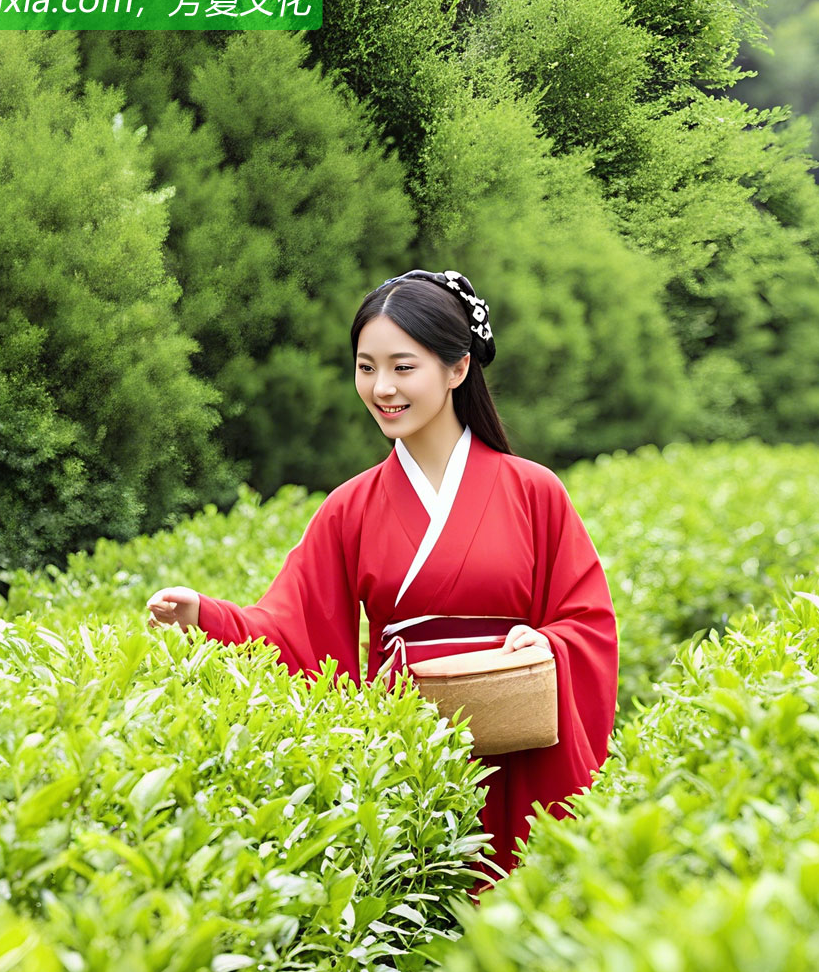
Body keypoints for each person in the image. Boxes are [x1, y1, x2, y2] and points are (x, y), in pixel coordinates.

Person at [145, 269, 618, 874]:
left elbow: (589, 622)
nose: (382, 388)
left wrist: (546, 644)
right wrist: (205, 616)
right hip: (409, 758)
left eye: (403, 366)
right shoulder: (349, 508)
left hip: (522, 749)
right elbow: (294, 627)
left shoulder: (534, 490)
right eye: (366, 367)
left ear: (458, 368)